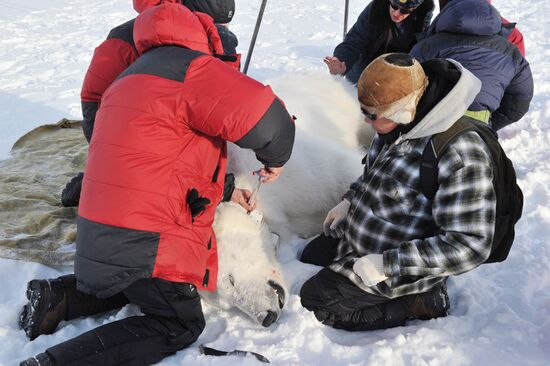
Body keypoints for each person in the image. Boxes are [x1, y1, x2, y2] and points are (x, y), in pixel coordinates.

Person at [19, 3, 295, 365]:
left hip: (99, 231)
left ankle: (60, 299)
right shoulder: (194, 70)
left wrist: (227, 190)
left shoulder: (128, 76)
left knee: (135, 282)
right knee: (179, 322)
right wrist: (275, 160)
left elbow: (162, 164)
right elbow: (271, 123)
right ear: (207, 35)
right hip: (144, 237)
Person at [300, 53, 496, 331]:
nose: (366, 121)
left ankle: (421, 302)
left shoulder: (461, 154)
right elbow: (373, 175)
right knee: (309, 256)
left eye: (371, 114)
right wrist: (349, 201)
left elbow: (471, 245)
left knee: (315, 301)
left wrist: (388, 264)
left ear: (402, 110)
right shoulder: (395, 125)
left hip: (401, 265)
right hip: (363, 240)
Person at [62, 0, 241, 207]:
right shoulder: (151, 42)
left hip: (140, 121)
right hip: (112, 125)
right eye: (212, 27)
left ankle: (106, 173)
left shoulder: (183, 33)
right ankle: (102, 178)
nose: (216, 34)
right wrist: (223, 187)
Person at [410, 0, 533, 130]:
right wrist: (490, 122)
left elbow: (406, 86)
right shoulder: (511, 49)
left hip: (433, 121)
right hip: (479, 124)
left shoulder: (427, 45)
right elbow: (519, 99)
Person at [324, 0, 434, 84]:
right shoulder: (376, 8)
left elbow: (420, 48)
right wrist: (342, 60)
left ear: (414, 9)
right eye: (394, 5)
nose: (396, 13)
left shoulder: (422, 15)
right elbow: (355, 39)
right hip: (364, 71)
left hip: (396, 75)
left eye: (404, 10)